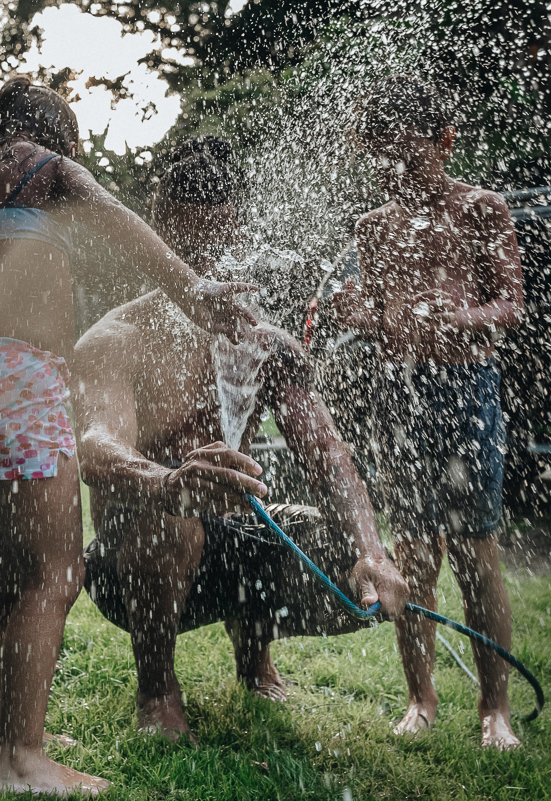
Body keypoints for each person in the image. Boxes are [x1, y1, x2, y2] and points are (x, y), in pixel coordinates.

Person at [0, 79, 257, 796]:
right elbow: (121, 221)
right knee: (55, 572)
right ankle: (22, 758)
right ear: (57, 135)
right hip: (19, 383)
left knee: (6, 571)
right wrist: (196, 292)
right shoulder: (44, 165)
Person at [71, 137, 409, 743]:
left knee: (327, 533)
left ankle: (254, 661)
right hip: (134, 555)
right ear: (158, 234)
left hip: (231, 536)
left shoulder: (264, 341)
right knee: (171, 518)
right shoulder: (115, 338)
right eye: (190, 244)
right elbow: (95, 447)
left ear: (240, 231)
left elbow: (328, 454)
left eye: (219, 243)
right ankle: (157, 689)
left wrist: (370, 549)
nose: (207, 262)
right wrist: (169, 480)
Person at [331, 76, 525, 749]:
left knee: (475, 553)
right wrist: (360, 316)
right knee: (412, 554)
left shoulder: (482, 209)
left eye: (410, 159)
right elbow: (386, 330)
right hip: (400, 394)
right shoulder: (372, 227)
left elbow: (510, 306)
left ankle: (493, 709)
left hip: (465, 389)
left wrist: (464, 314)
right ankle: (421, 696)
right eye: (383, 159)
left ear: (444, 143)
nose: (397, 173)